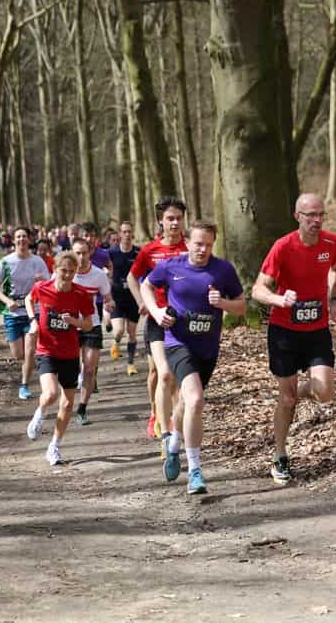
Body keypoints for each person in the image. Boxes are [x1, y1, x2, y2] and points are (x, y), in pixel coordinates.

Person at [142, 220, 245, 494]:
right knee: (196, 399)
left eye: (209, 245)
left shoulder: (223, 270)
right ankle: (195, 471)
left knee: (187, 405)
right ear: (187, 242)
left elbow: (242, 305)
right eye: (198, 244)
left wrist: (222, 304)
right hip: (177, 343)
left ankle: (174, 445)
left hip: (207, 349)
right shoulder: (171, 266)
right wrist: (155, 311)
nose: (203, 250)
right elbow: (146, 286)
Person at [251, 193, 336, 485]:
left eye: (320, 215)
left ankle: (296, 391)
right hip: (284, 333)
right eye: (310, 215)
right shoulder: (283, 247)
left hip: (316, 330)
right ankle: (280, 456)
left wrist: (334, 298)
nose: (316, 221)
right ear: (297, 216)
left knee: (325, 392)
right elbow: (257, 290)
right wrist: (279, 299)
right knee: (288, 399)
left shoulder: (331, 243)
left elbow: (335, 270)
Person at [24, 251, 95, 465]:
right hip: (46, 350)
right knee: (51, 394)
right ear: (55, 269)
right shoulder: (42, 288)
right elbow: (29, 299)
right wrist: (33, 321)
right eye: (64, 270)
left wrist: (74, 322)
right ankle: (40, 412)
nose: (67, 275)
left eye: (72, 272)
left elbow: (89, 324)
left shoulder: (80, 294)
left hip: (70, 354)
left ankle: (54, 446)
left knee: (67, 405)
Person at [127, 197, 188, 440]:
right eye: (170, 219)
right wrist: (143, 303)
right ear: (160, 222)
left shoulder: (190, 248)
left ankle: (172, 420)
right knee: (160, 373)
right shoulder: (150, 250)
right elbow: (133, 278)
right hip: (157, 319)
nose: (175, 223)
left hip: (183, 321)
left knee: (174, 377)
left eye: (179, 218)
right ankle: (157, 416)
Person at [0, 226, 50, 400]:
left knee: (30, 350)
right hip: (13, 313)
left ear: (29, 240)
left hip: (33, 311)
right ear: (13, 240)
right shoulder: (6, 262)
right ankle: (31, 364)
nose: (22, 240)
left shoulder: (38, 261)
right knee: (19, 354)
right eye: (18, 237)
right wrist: (8, 302)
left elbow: (50, 282)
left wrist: (42, 280)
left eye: (24, 236)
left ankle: (24, 385)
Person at [65, 237, 112, 426]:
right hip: (68, 326)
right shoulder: (64, 273)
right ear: (72, 252)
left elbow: (107, 297)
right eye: (77, 253)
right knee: (70, 369)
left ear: (90, 253)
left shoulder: (99, 275)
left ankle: (82, 409)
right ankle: (66, 403)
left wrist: (110, 303)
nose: (81, 257)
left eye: (84, 253)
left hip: (92, 324)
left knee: (90, 369)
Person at [108, 221, 141, 376]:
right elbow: (104, 268)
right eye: (124, 232)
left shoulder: (138, 253)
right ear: (120, 234)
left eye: (129, 232)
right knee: (119, 330)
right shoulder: (112, 252)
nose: (127, 235)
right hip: (117, 297)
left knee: (132, 333)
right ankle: (115, 342)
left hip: (133, 297)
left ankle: (130, 364)